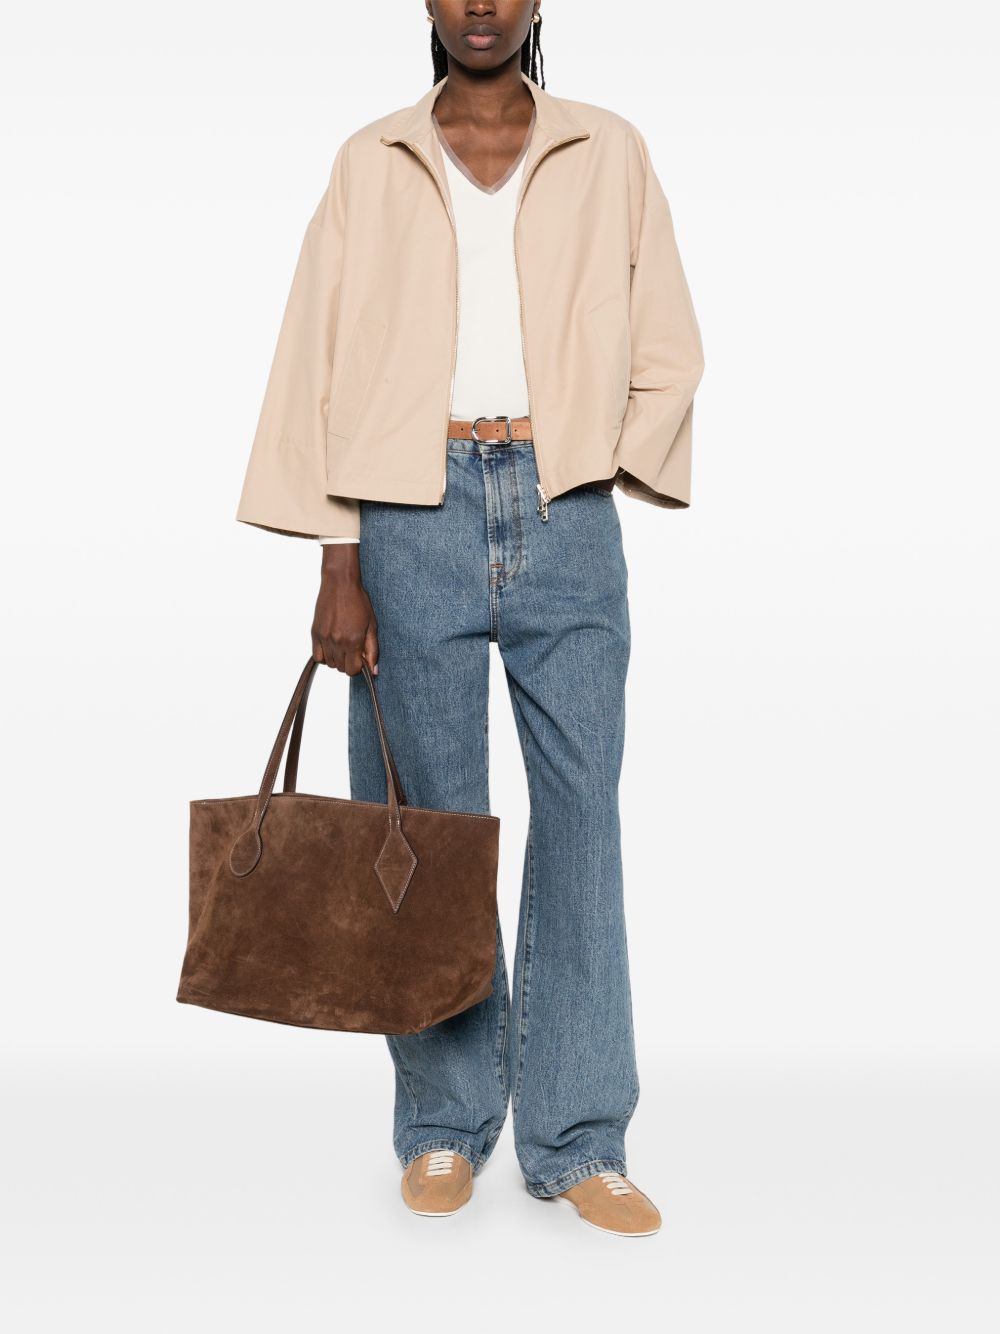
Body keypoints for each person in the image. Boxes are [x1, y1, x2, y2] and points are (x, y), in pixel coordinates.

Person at [236, 0, 703, 1238]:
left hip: (564, 509)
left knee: (582, 818)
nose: (480, 5)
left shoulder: (608, 148)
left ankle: (579, 1135)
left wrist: (599, 456)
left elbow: (668, 336)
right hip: (409, 514)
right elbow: (312, 359)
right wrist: (338, 556)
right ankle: (444, 1118)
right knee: (427, 832)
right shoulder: (371, 159)